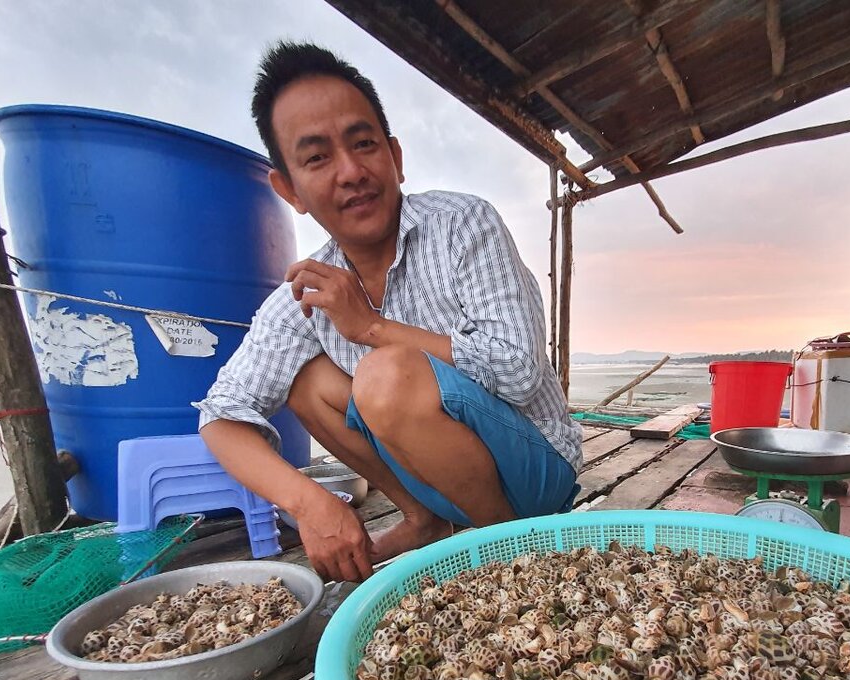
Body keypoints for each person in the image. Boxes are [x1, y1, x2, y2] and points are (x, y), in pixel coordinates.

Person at [196, 42, 582, 584]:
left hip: (537, 468)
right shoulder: (308, 291)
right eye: (317, 158)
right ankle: (422, 517)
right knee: (305, 382)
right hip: (438, 475)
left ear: (395, 157)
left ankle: (510, 550)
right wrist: (311, 504)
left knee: (384, 372)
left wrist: (372, 328)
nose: (352, 171)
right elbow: (221, 415)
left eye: (364, 144)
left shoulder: (464, 224)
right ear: (290, 191)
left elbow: (520, 372)